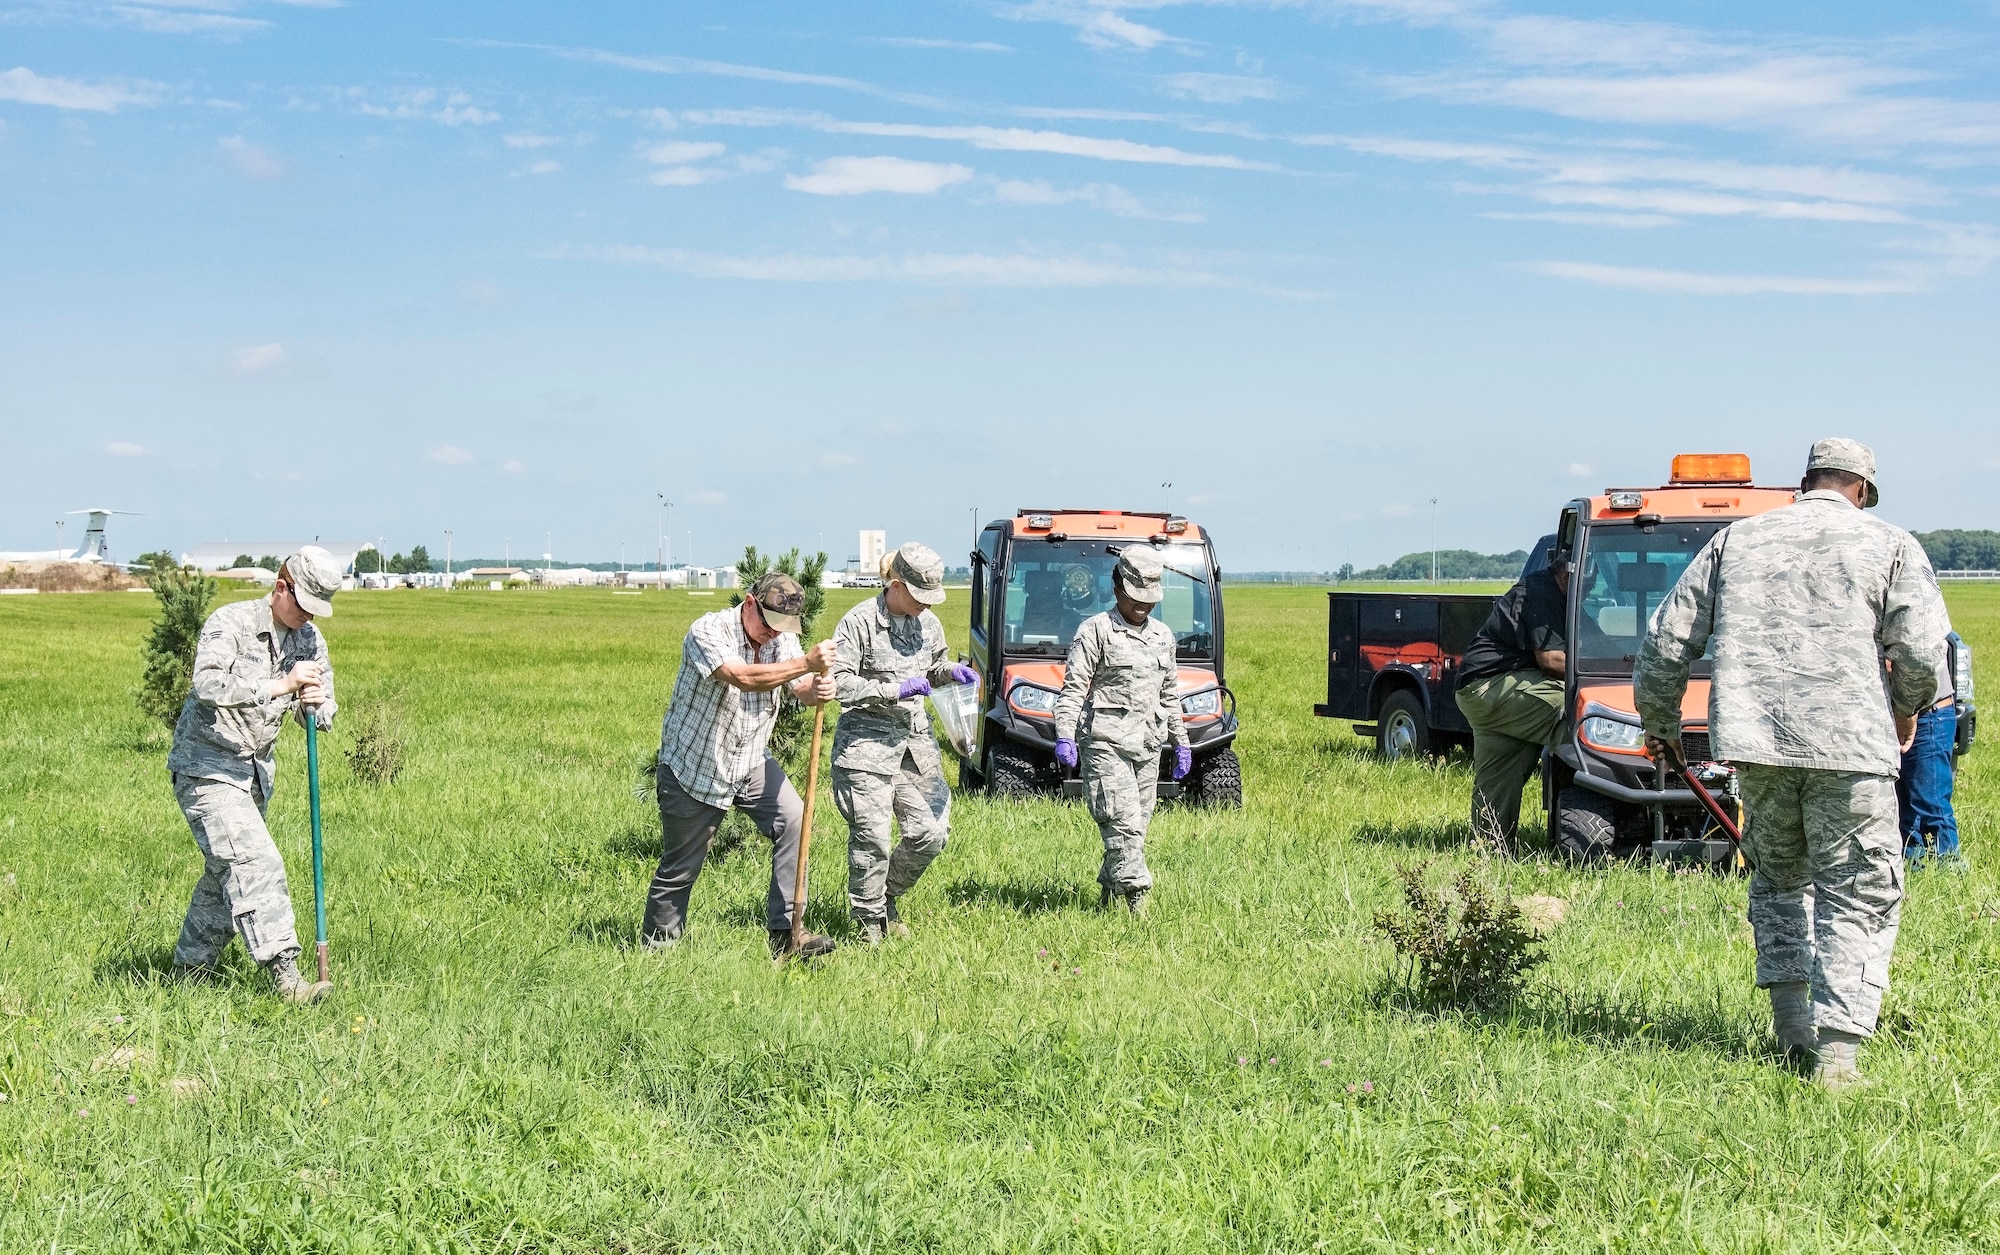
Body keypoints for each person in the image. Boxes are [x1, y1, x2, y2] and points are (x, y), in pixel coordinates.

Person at [1636, 438, 1948, 1090]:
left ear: (1803, 481)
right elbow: (1921, 652)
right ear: (1861, 489)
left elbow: (1666, 643)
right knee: (1857, 891)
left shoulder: (1736, 541)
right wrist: (1907, 709)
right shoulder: (1889, 544)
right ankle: (1837, 1056)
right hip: (1851, 750)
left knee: (1780, 884)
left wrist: (1662, 726)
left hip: (1761, 748)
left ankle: (1791, 1030)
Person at [167, 546, 343, 1003]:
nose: (308, 616)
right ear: (281, 586)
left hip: (254, 775)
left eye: (316, 609)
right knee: (254, 864)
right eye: (303, 605)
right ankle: (287, 977)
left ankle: (189, 971)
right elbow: (206, 685)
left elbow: (321, 708)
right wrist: (278, 686)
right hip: (206, 767)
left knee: (224, 875)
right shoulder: (232, 622)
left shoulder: (309, 639)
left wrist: (317, 706)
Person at [644, 571, 839, 957]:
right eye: (768, 624)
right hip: (696, 766)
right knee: (681, 868)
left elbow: (795, 686)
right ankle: (657, 952)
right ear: (750, 603)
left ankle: (787, 937)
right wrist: (805, 663)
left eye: (783, 628)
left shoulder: (782, 637)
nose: (774, 634)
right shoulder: (708, 630)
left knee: (794, 820)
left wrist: (814, 690)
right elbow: (742, 677)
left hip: (750, 759)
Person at [830, 542, 978, 944]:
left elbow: (935, 667)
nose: (926, 606)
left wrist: (954, 672)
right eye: (919, 597)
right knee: (873, 838)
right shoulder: (858, 622)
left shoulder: (928, 624)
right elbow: (839, 684)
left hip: (916, 746)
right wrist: (893, 689)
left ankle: (886, 897)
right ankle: (867, 925)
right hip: (866, 748)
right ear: (896, 585)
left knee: (931, 833)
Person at [1052, 546, 1190, 914]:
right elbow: (1073, 690)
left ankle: (1108, 898)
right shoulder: (1095, 631)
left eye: (1149, 600)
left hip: (1148, 745)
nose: (1143, 606)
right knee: (1122, 824)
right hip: (1105, 743)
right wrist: (1065, 734)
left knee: (1135, 831)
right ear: (1117, 589)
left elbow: (1170, 694)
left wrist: (1182, 742)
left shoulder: (1163, 637)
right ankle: (1138, 905)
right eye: (1135, 598)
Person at [1453, 537, 1568, 848]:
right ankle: (1590, 827)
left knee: (1499, 772)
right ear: (1568, 573)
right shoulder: (1544, 593)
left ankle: (1490, 852)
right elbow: (1552, 658)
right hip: (1493, 685)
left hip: (1478, 689)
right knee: (1579, 719)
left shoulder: (1553, 591)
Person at [1899, 629, 1966, 869]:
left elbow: (1899, 662)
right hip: (1905, 711)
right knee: (1903, 804)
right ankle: (1913, 869)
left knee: (1930, 803)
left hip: (1928, 712)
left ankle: (1950, 871)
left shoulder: (1911, 611)